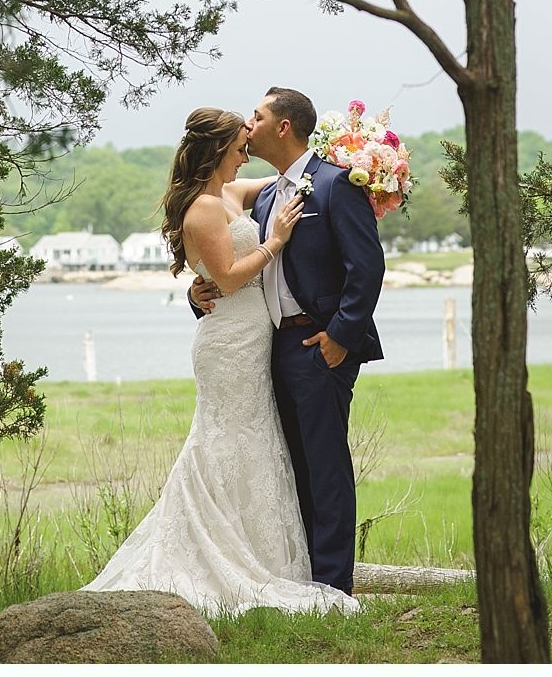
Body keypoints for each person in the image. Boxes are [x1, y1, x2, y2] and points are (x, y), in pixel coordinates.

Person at [82, 106, 358, 615]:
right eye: (238, 146)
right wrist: (274, 241)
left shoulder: (233, 194)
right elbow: (228, 279)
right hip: (228, 345)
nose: (245, 149)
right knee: (223, 441)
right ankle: (212, 553)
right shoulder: (203, 208)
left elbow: (298, 173)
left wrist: (353, 158)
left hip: (258, 341)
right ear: (217, 151)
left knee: (258, 445)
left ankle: (264, 555)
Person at [192, 87, 385, 598]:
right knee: (288, 465)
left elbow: (366, 268)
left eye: (256, 117)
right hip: (267, 347)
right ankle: (300, 577)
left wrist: (340, 338)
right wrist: (200, 291)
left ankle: (333, 587)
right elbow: (233, 267)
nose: (247, 125)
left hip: (318, 345)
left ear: (282, 127)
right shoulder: (266, 194)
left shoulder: (334, 185)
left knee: (325, 467)